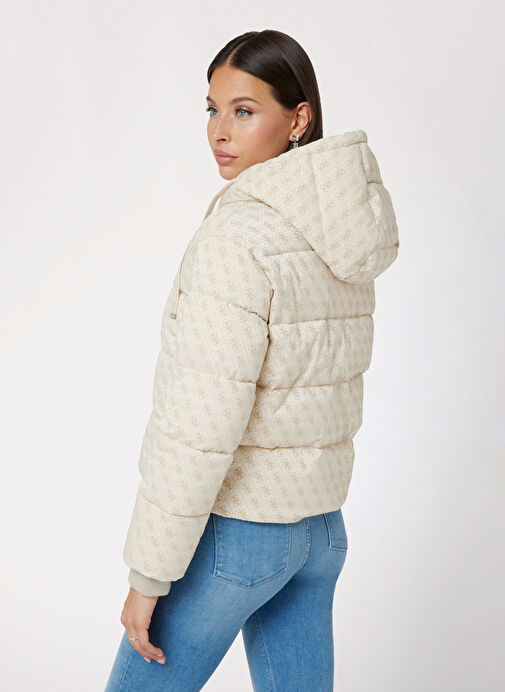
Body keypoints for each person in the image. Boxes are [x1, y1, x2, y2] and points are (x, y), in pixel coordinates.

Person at [104, 29, 399, 692]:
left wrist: (149, 575)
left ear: (299, 118)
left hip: (240, 539)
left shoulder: (237, 238)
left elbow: (200, 425)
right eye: (212, 109)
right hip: (319, 532)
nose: (219, 130)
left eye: (244, 110)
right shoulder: (339, 233)